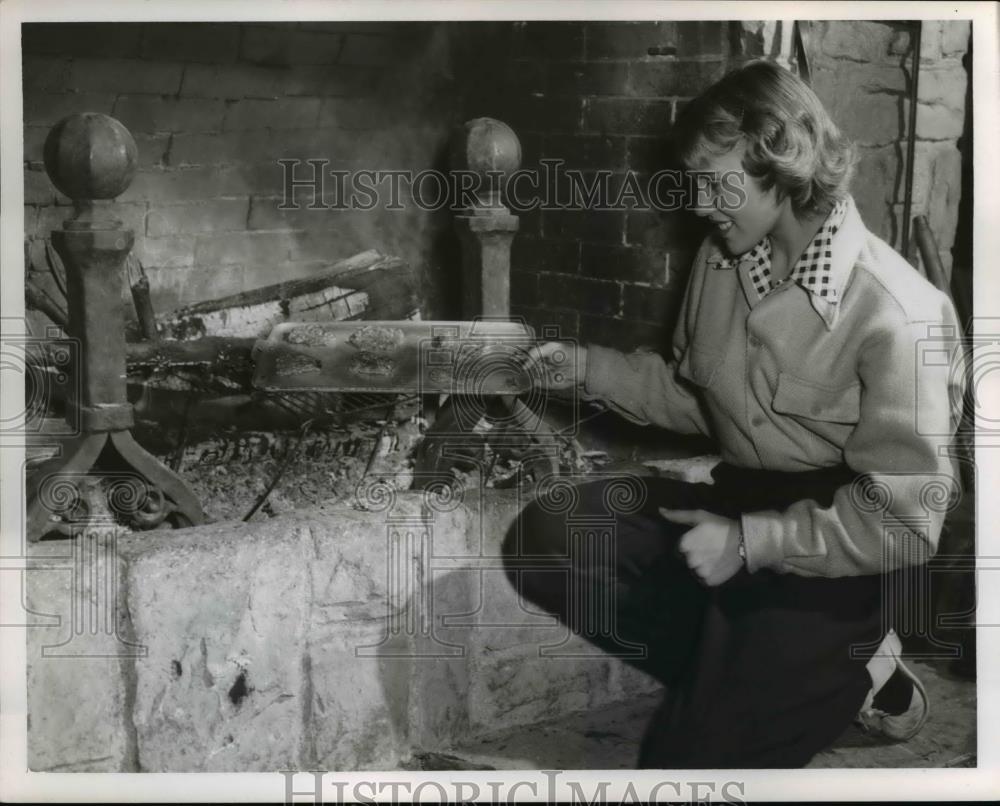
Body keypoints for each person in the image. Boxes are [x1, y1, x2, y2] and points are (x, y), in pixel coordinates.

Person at [504, 59, 966, 768]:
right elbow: (703, 399)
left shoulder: (898, 312)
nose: (697, 203)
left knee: (687, 764)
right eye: (692, 182)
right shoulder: (723, 258)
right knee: (551, 537)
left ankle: (845, 671)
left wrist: (749, 544)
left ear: (784, 161)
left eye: (715, 182)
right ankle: (746, 661)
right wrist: (586, 367)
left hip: (842, 543)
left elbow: (905, 522)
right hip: (740, 496)